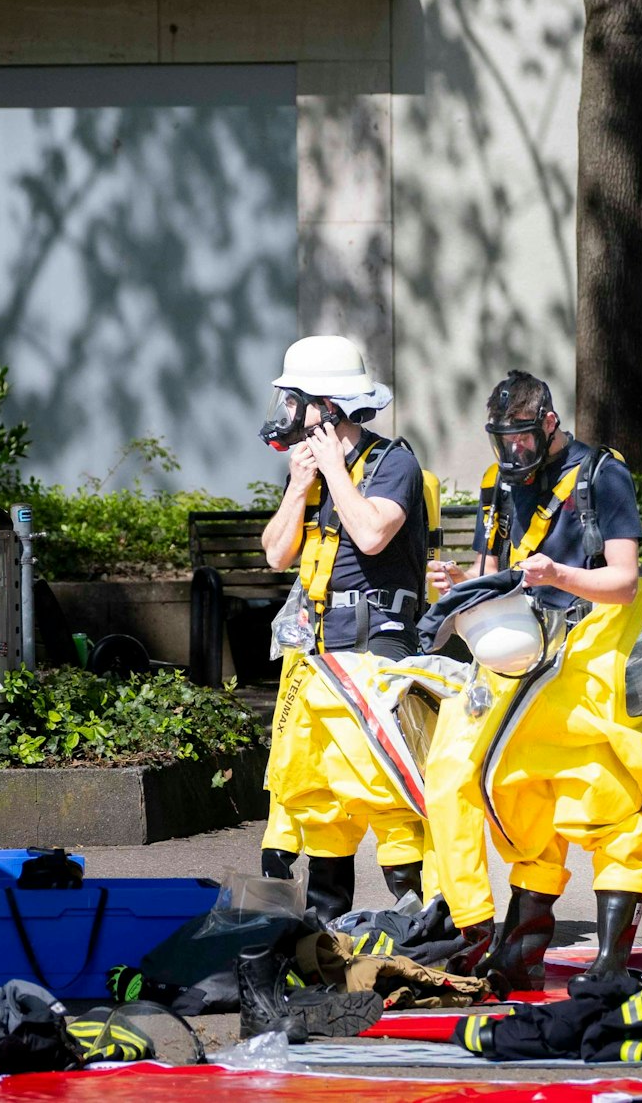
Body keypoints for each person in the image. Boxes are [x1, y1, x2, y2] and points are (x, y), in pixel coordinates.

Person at [423, 371, 642, 990]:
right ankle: (517, 953)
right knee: (521, 793)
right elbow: (492, 570)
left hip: (595, 657)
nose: (511, 453)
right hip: (521, 660)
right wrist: (456, 583)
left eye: (521, 438)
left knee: (607, 802)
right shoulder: (499, 485)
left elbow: (624, 580)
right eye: (501, 441)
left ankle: (611, 965)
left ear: (548, 423)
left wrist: (558, 576)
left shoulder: (602, 474)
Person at [255, 335, 432, 919]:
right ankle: (327, 923)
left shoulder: (393, 464)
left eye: (292, 401)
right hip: (316, 649)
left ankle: (416, 913)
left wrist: (335, 472)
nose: (284, 414)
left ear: (327, 408)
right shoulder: (307, 470)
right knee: (314, 789)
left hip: (377, 645)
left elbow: (373, 534)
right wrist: (301, 487)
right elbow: (276, 556)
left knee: (383, 786)